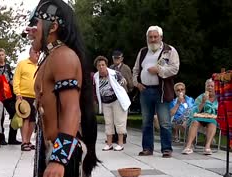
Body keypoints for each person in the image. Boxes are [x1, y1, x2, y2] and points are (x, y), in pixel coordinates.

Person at [27, 0, 159, 177]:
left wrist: (58, 160)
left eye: (35, 23)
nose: (30, 29)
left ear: (53, 26)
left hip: (65, 151)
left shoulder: (64, 57)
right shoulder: (51, 57)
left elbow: (72, 111)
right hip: (57, 149)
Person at [133, 25, 180, 158]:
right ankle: (147, 148)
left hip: (161, 91)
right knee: (146, 121)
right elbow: (135, 70)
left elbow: (174, 69)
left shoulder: (169, 51)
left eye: (155, 37)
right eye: (150, 37)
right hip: (145, 90)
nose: (153, 39)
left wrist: (159, 70)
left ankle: (166, 149)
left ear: (161, 37)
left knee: (164, 122)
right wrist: (137, 83)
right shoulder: (143, 51)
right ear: (147, 38)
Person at [93, 56, 131, 151]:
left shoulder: (114, 73)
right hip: (106, 102)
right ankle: (109, 144)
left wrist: (122, 81)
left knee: (119, 122)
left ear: (106, 65)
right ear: (96, 67)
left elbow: (123, 81)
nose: (101, 67)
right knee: (108, 122)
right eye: (99, 65)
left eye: (103, 65)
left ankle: (120, 143)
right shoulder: (95, 76)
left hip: (117, 100)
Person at [182, 79, 218, 155]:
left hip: (213, 119)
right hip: (199, 117)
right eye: (208, 86)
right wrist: (203, 102)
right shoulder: (201, 97)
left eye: (212, 86)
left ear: (216, 87)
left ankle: (207, 147)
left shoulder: (219, 98)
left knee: (213, 123)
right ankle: (188, 146)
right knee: (195, 121)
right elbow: (194, 112)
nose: (210, 88)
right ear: (205, 87)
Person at [13, 47, 39, 151]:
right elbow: (16, 79)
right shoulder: (22, 64)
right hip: (23, 96)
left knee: (33, 120)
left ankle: (28, 141)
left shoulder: (39, 66)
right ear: (30, 53)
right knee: (25, 119)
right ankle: (24, 142)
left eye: (38, 53)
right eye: (35, 52)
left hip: (36, 97)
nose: (37, 54)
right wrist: (17, 93)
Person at [0, 48, 21, 145]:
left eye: (2, 55)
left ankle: (12, 138)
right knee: (0, 117)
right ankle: (1, 138)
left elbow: (10, 78)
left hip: (9, 94)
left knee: (15, 113)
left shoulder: (7, 66)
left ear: (5, 55)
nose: (1, 57)